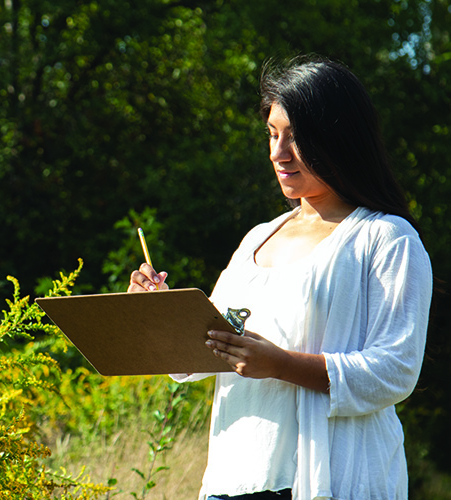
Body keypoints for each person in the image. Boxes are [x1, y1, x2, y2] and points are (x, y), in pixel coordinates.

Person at [128, 55, 433, 500]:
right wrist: (163, 312)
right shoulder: (257, 238)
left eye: (296, 137)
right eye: (272, 134)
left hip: (331, 482)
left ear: (339, 138)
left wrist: (281, 364)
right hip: (233, 479)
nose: (278, 153)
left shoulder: (386, 238)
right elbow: (210, 347)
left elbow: (396, 372)